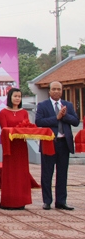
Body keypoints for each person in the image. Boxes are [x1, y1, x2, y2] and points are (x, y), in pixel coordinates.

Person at [35, 81, 79, 210]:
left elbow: (76, 121)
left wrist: (64, 117)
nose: (56, 91)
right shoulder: (43, 105)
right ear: (49, 91)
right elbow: (39, 122)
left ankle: (61, 201)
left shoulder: (68, 105)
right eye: (53, 89)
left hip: (64, 143)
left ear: (62, 91)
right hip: (49, 143)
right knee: (47, 173)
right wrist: (57, 117)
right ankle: (47, 201)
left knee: (62, 173)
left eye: (58, 89)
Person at [0, 88, 32, 210]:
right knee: (10, 173)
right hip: (9, 145)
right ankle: (8, 201)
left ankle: (21, 200)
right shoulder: (3, 112)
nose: (17, 98)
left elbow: (27, 127)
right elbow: (4, 129)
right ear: (10, 97)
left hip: (21, 146)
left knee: (21, 173)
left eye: (19, 96)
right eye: (15, 96)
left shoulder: (24, 113)